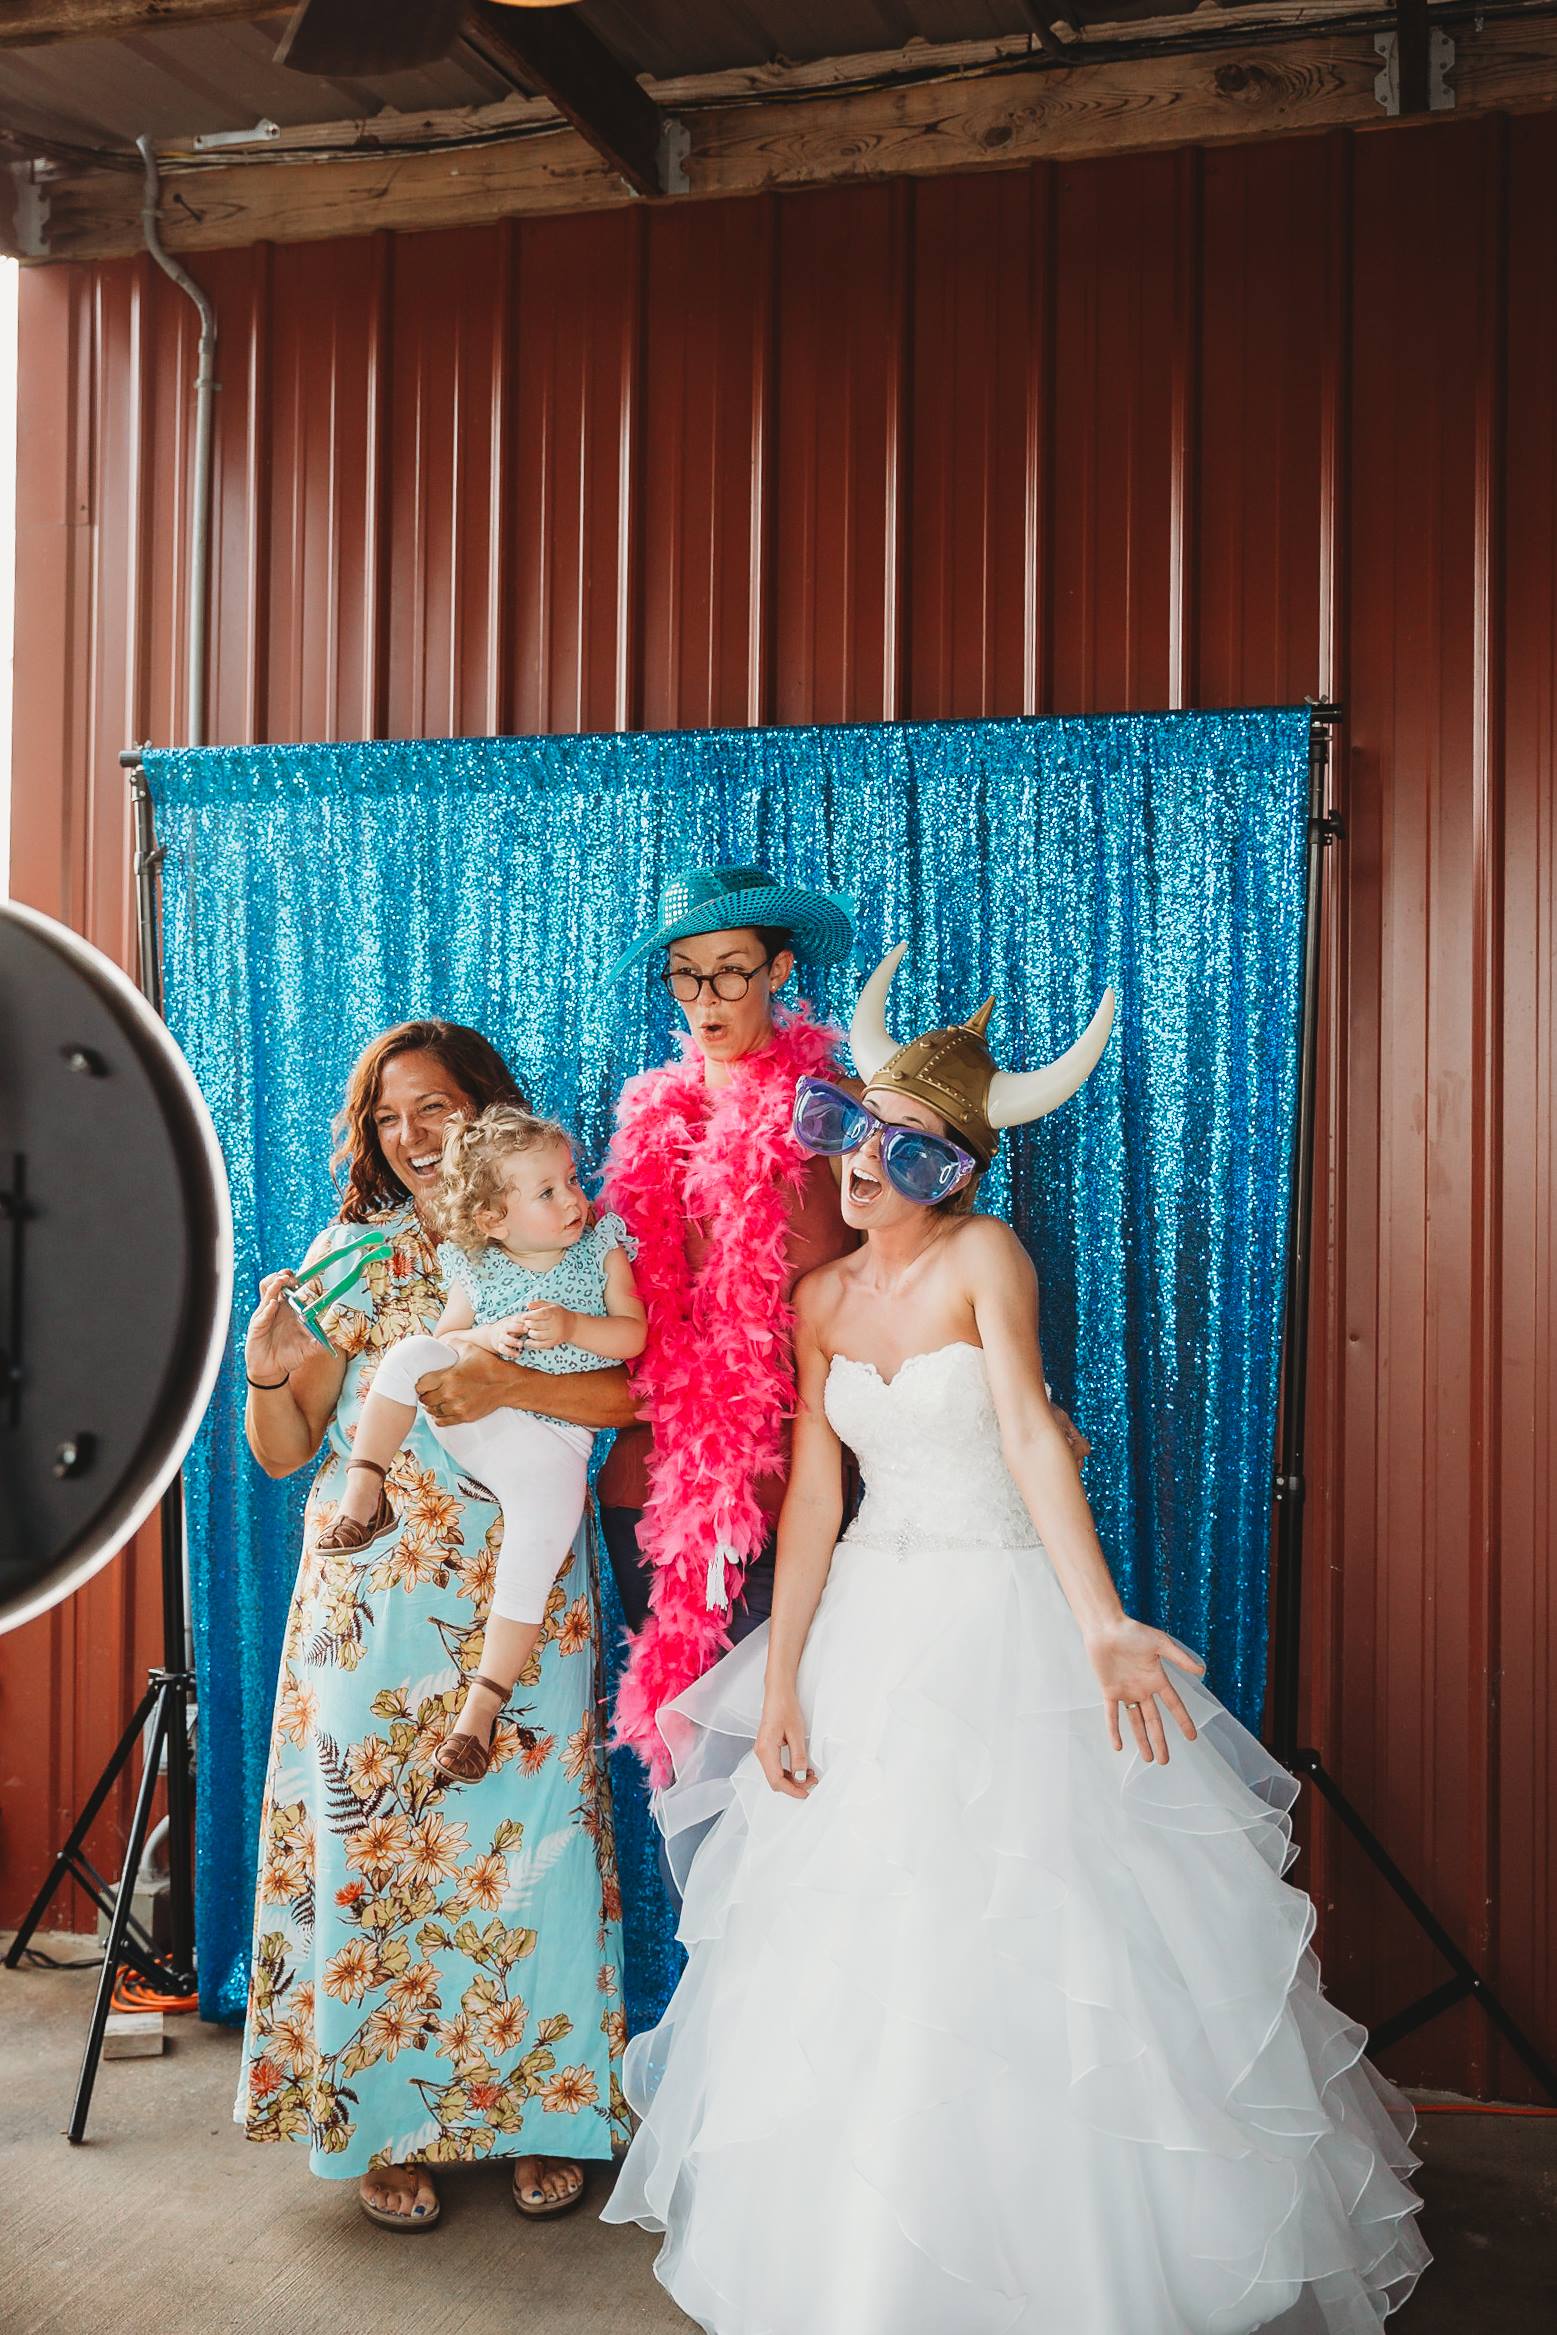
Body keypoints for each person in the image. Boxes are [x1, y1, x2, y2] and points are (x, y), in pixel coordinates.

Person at [603, 947, 1430, 2333]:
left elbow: (1036, 1434)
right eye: (854, 1132)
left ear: (960, 1172)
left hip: (998, 1619)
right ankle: (870, 2264)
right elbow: (814, 1496)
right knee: (861, 1939)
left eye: (907, 1149)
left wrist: (1101, 1620)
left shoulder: (988, 1258)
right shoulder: (817, 1303)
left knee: (1028, 1922)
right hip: (871, 1624)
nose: (866, 1167)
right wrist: (788, 1671)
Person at [238, 1023, 628, 2230]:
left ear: (488, 1113)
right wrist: (266, 1369)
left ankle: (538, 2113)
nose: (411, 1136)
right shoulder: (347, 1256)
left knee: (533, 1848)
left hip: (522, 1589)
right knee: (380, 1845)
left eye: (437, 1108)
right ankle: (382, 2125)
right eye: (388, 1116)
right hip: (377, 1602)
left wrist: (512, 1377)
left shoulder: (548, 1225)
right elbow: (283, 1450)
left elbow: (630, 1388)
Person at [315, 1104, 646, 1782]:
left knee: (536, 1544)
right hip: (476, 1425)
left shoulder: (603, 1250)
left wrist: (577, 1328)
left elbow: (633, 1338)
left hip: (553, 1442)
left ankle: (477, 1717)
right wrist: (482, 1341)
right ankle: (363, 1492)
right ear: (494, 1219)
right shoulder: (477, 1265)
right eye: (547, 1191)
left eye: (572, 1180)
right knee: (410, 1353)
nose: (573, 1199)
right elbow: (450, 1337)